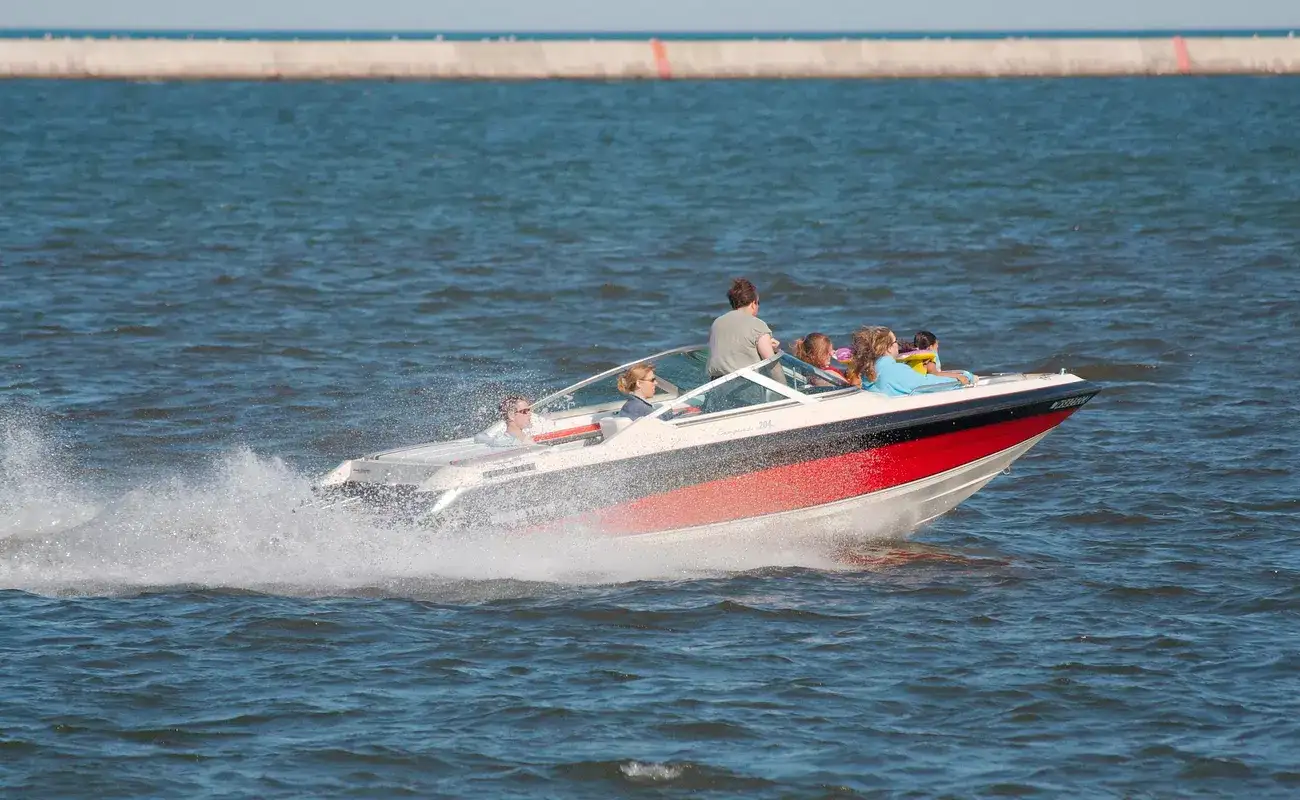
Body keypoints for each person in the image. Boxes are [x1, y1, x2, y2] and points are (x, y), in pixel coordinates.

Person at [847, 326, 964, 397]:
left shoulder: (868, 370)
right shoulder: (895, 370)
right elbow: (927, 384)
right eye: (895, 341)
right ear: (888, 348)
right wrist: (959, 379)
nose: (898, 344)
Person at [705, 278, 779, 379]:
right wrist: (787, 392)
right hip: (746, 387)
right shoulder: (757, 325)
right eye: (758, 303)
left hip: (717, 388)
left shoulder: (716, 323)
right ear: (753, 304)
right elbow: (772, 364)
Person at [898, 330, 974, 386]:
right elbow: (935, 374)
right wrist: (958, 376)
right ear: (930, 347)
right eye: (936, 345)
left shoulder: (911, 356)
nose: (938, 347)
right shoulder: (928, 359)